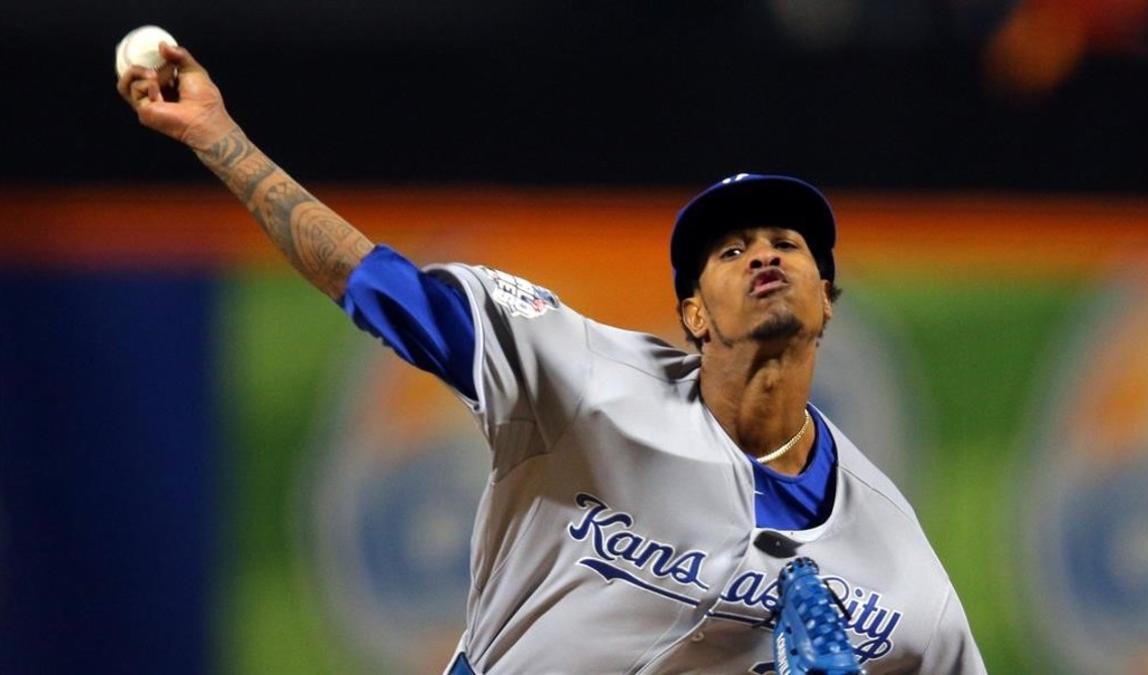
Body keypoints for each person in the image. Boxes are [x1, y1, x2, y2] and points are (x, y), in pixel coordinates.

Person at [118, 43, 986, 674]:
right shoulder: (579, 377)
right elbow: (379, 288)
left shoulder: (894, 556)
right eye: (731, 251)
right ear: (691, 312)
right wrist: (217, 136)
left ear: (827, 298)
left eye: (788, 243)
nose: (764, 254)